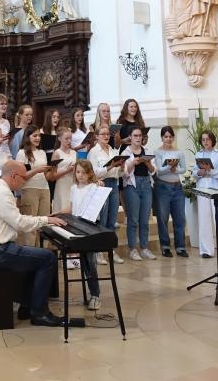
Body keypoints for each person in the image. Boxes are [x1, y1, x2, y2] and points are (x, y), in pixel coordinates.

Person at [0, 160, 68, 326]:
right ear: (13, 176)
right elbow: (19, 223)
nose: (25, 181)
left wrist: (45, 220)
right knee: (48, 258)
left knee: (36, 258)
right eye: (23, 177)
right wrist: (47, 220)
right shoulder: (2, 193)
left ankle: (27, 306)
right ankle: (39, 313)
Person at [66, 161, 105, 309]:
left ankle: (95, 295)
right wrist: (57, 213)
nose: (80, 175)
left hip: (89, 227)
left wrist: (99, 186)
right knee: (83, 261)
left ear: (89, 173)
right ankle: (89, 291)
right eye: (77, 172)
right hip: (77, 227)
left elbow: (97, 203)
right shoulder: (73, 188)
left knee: (90, 262)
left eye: (83, 172)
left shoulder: (94, 187)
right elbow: (71, 208)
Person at [87, 125, 124, 264]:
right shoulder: (93, 152)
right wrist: (110, 166)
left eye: (108, 134)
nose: (106, 136)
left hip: (114, 184)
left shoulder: (114, 151)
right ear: (96, 136)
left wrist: (121, 167)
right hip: (101, 184)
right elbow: (93, 172)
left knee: (111, 219)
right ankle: (98, 252)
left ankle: (110, 250)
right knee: (102, 219)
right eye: (102, 134)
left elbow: (120, 173)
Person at [194, 130, 218, 260]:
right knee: (204, 220)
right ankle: (206, 250)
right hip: (202, 189)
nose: (205, 142)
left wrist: (210, 171)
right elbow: (194, 173)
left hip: (216, 189)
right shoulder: (198, 154)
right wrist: (199, 172)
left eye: (208, 139)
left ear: (212, 140)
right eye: (203, 140)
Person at [121, 126, 156, 260]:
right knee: (133, 220)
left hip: (146, 184)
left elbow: (153, 171)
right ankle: (132, 249)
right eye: (135, 136)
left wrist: (147, 163)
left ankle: (144, 248)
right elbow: (123, 173)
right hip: (132, 186)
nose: (137, 138)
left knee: (145, 220)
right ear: (130, 137)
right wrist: (133, 163)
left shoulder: (147, 150)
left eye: (139, 136)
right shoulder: (125, 152)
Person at [15, 126, 53, 246]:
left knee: (43, 224)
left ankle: (41, 254)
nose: (37, 138)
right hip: (29, 188)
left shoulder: (42, 152)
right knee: (31, 225)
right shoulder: (21, 153)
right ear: (28, 137)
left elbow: (45, 174)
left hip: (45, 188)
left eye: (39, 136)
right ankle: (29, 254)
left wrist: (49, 170)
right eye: (34, 136)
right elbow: (21, 176)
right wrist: (37, 170)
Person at [154, 126, 188, 258]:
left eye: (170, 136)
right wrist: (169, 166)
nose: (168, 139)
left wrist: (176, 170)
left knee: (179, 218)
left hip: (177, 187)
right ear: (162, 138)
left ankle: (180, 247)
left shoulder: (178, 152)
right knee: (163, 218)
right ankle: (165, 246)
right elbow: (158, 170)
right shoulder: (157, 152)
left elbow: (183, 168)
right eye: (165, 136)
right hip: (163, 186)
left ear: (173, 137)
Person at [50, 127, 77, 214]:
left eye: (70, 138)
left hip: (73, 185)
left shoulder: (74, 153)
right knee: (62, 210)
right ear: (59, 138)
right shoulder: (57, 153)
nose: (69, 141)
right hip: (62, 185)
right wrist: (66, 170)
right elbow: (52, 176)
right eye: (66, 139)